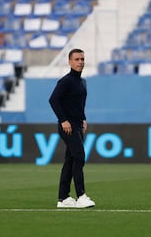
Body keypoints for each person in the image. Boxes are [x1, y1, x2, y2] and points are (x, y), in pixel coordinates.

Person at [49, 48, 95, 208]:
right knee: (79, 156)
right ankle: (81, 196)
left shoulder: (83, 82)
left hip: (77, 125)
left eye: (82, 59)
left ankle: (63, 198)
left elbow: (79, 104)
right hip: (67, 127)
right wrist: (63, 120)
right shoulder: (66, 81)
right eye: (76, 59)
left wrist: (83, 119)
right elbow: (53, 100)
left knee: (70, 160)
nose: (80, 62)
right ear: (69, 62)